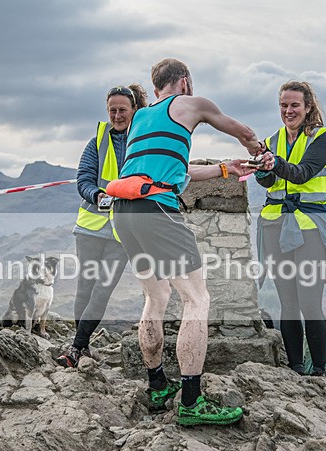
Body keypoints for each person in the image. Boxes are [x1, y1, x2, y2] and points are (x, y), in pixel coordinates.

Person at [112, 58, 265, 427]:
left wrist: (225, 169)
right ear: (184, 81)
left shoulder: (141, 119)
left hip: (124, 211)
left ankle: (158, 386)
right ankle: (192, 402)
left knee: (155, 297)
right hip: (157, 212)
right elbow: (240, 129)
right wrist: (259, 153)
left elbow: (177, 173)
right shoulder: (190, 103)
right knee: (197, 298)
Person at [255, 80, 326, 376]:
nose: (288, 111)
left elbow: (302, 174)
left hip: (310, 228)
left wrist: (273, 164)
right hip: (275, 225)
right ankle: (296, 368)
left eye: (295, 105)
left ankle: (320, 370)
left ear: (308, 106)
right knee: (287, 301)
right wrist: (262, 169)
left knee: (309, 300)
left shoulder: (323, 138)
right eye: (284, 106)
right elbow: (268, 182)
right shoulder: (272, 140)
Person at [56, 84, 148, 368]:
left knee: (103, 290)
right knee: (85, 288)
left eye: (122, 110)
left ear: (134, 110)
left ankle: (77, 347)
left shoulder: (144, 140)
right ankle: (79, 347)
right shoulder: (97, 140)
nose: (117, 116)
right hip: (91, 226)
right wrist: (96, 195)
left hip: (124, 230)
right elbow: (83, 178)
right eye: (112, 111)